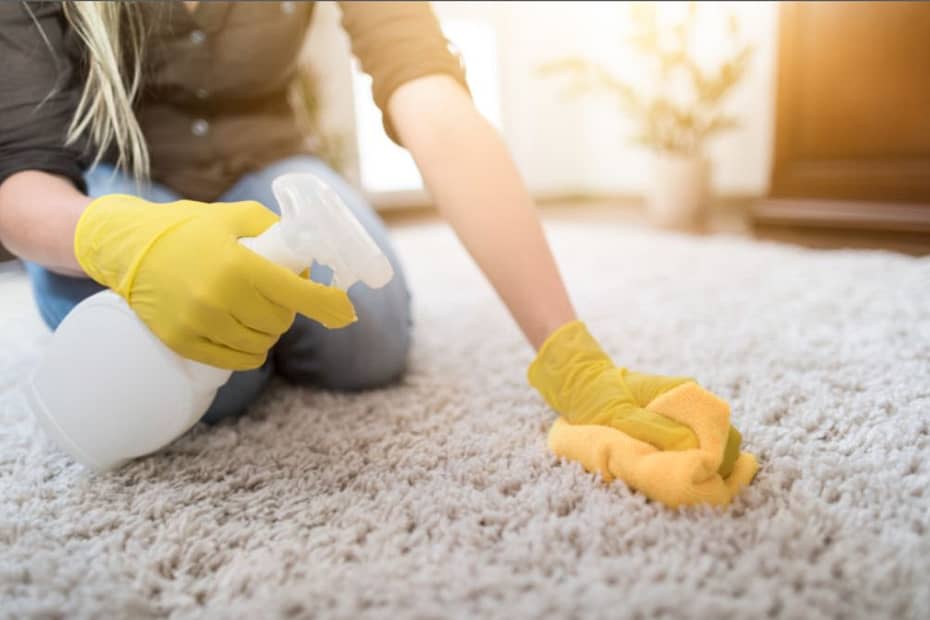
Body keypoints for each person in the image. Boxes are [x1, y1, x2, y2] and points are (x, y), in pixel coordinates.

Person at [0, 2, 741, 475]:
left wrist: (571, 355)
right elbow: (19, 173)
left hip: (267, 159)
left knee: (366, 342)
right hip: (126, 175)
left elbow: (431, 99)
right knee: (217, 384)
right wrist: (121, 240)